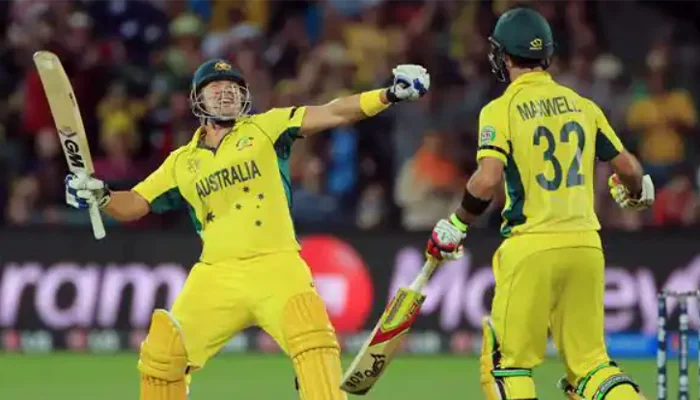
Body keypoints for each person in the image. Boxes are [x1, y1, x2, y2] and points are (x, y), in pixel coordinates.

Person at [64, 58, 430, 400]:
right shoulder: (181, 162)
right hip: (216, 274)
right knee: (163, 358)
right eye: (215, 87)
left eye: (234, 88)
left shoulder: (265, 127)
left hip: (277, 265)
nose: (226, 93)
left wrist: (388, 94)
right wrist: (101, 195)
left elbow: (333, 111)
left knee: (314, 344)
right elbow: (136, 203)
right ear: (197, 99)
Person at [425, 8, 654, 400]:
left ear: (504, 56)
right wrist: (634, 193)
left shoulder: (501, 109)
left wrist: (457, 224)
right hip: (586, 245)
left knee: (508, 366)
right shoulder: (584, 105)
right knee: (592, 366)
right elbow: (630, 169)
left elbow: (488, 178)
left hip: (531, 245)